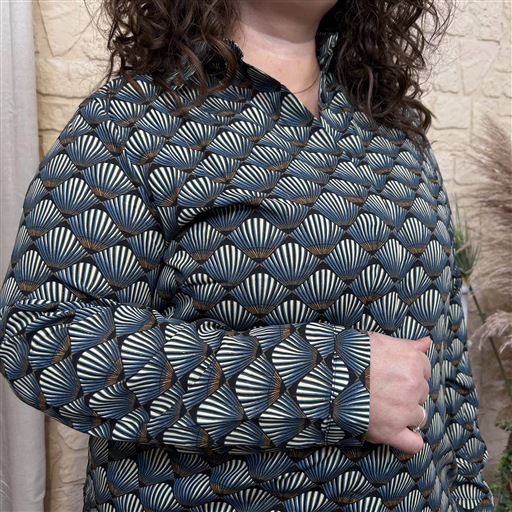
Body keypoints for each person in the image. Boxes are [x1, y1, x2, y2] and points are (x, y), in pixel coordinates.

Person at [0, 0, 494, 510]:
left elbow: (446, 368)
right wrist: (331, 380)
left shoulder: (397, 131)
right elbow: (40, 335)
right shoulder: (133, 119)